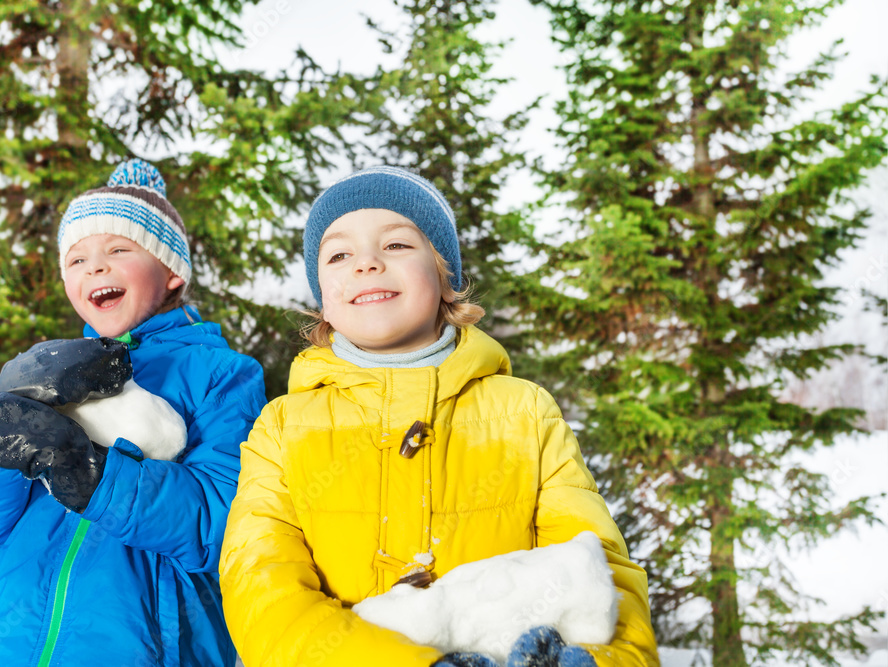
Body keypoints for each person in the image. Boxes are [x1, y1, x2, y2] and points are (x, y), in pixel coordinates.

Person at [219, 166, 659, 666]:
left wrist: (604, 659)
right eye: (339, 254)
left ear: (446, 276)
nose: (366, 264)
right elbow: (259, 582)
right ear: (322, 301)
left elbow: (599, 565)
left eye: (397, 245)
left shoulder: (525, 413)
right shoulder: (283, 427)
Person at [0, 159, 266, 667]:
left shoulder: (219, 375)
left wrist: (91, 476)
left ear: (172, 271)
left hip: (144, 645)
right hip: (4, 643)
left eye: (118, 250)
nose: (95, 268)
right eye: (77, 259)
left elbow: (216, 527)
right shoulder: (35, 377)